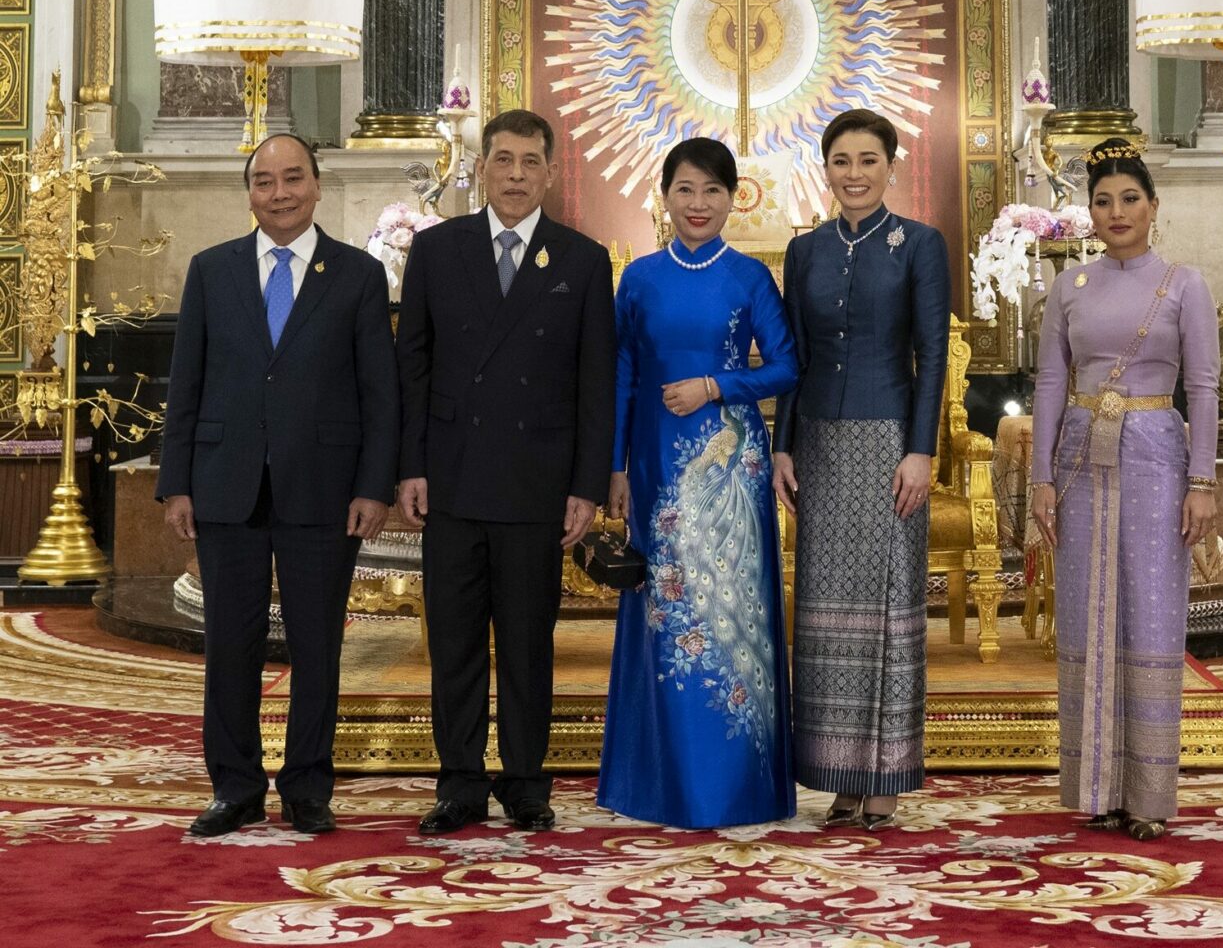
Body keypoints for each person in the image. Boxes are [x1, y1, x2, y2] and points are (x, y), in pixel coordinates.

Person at [158, 133, 399, 838]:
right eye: (264, 182)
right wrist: (177, 484)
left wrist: (373, 486)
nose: (280, 192)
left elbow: (379, 394)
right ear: (250, 194)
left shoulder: (356, 275)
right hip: (224, 485)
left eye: (293, 178)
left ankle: (306, 788)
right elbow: (187, 384)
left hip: (324, 490)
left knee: (316, 645)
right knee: (229, 645)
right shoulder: (212, 271)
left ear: (318, 185)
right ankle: (233, 788)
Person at [397, 108, 615, 834]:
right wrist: (411, 467)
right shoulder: (438, 251)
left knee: (527, 645)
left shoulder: (582, 261)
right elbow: (414, 369)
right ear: (481, 168)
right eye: (503, 160)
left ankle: (526, 781)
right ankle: (459, 782)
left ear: (550, 172)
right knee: (456, 642)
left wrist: (585, 485)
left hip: (537, 486)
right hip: (453, 480)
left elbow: (596, 385)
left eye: (530, 162)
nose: (516, 175)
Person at [598, 136, 798, 830]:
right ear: (664, 195)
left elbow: (785, 367)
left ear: (733, 197)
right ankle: (664, 785)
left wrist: (717, 384)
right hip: (654, 462)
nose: (699, 203)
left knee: (728, 615)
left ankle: (736, 785)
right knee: (664, 614)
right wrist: (616, 465)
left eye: (713, 190)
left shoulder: (748, 278)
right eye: (685, 189)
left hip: (725, 464)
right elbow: (622, 372)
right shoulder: (641, 278)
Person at [1030, 139, 1219, 839]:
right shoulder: (1069, 287)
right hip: (1081, 458)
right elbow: (1051, 382)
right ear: (1089, 212)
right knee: (1086, 617)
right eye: (1103, 201)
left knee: (1148, 615)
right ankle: (1097, 789)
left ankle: (1147, 795)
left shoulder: (1183, 284)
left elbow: (1202, 386)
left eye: (1129, 199)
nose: (1116, 212)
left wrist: (1202, 482)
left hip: (1153, 455)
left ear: (1153, 207)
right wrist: (1041, 478)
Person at [772, 107, 950, 831]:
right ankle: (842, 781)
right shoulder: (805, 250)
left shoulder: (921, 245)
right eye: (841, 161)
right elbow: (794, 358)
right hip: (818, 442)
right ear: (826, 167)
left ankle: (885, 783)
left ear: (891, 166)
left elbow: (932, 352)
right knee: (823, 621)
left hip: (889, 445)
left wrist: (922, 448)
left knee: (886, 612)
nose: (854, 174)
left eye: (867, 160)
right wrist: (783, 443)